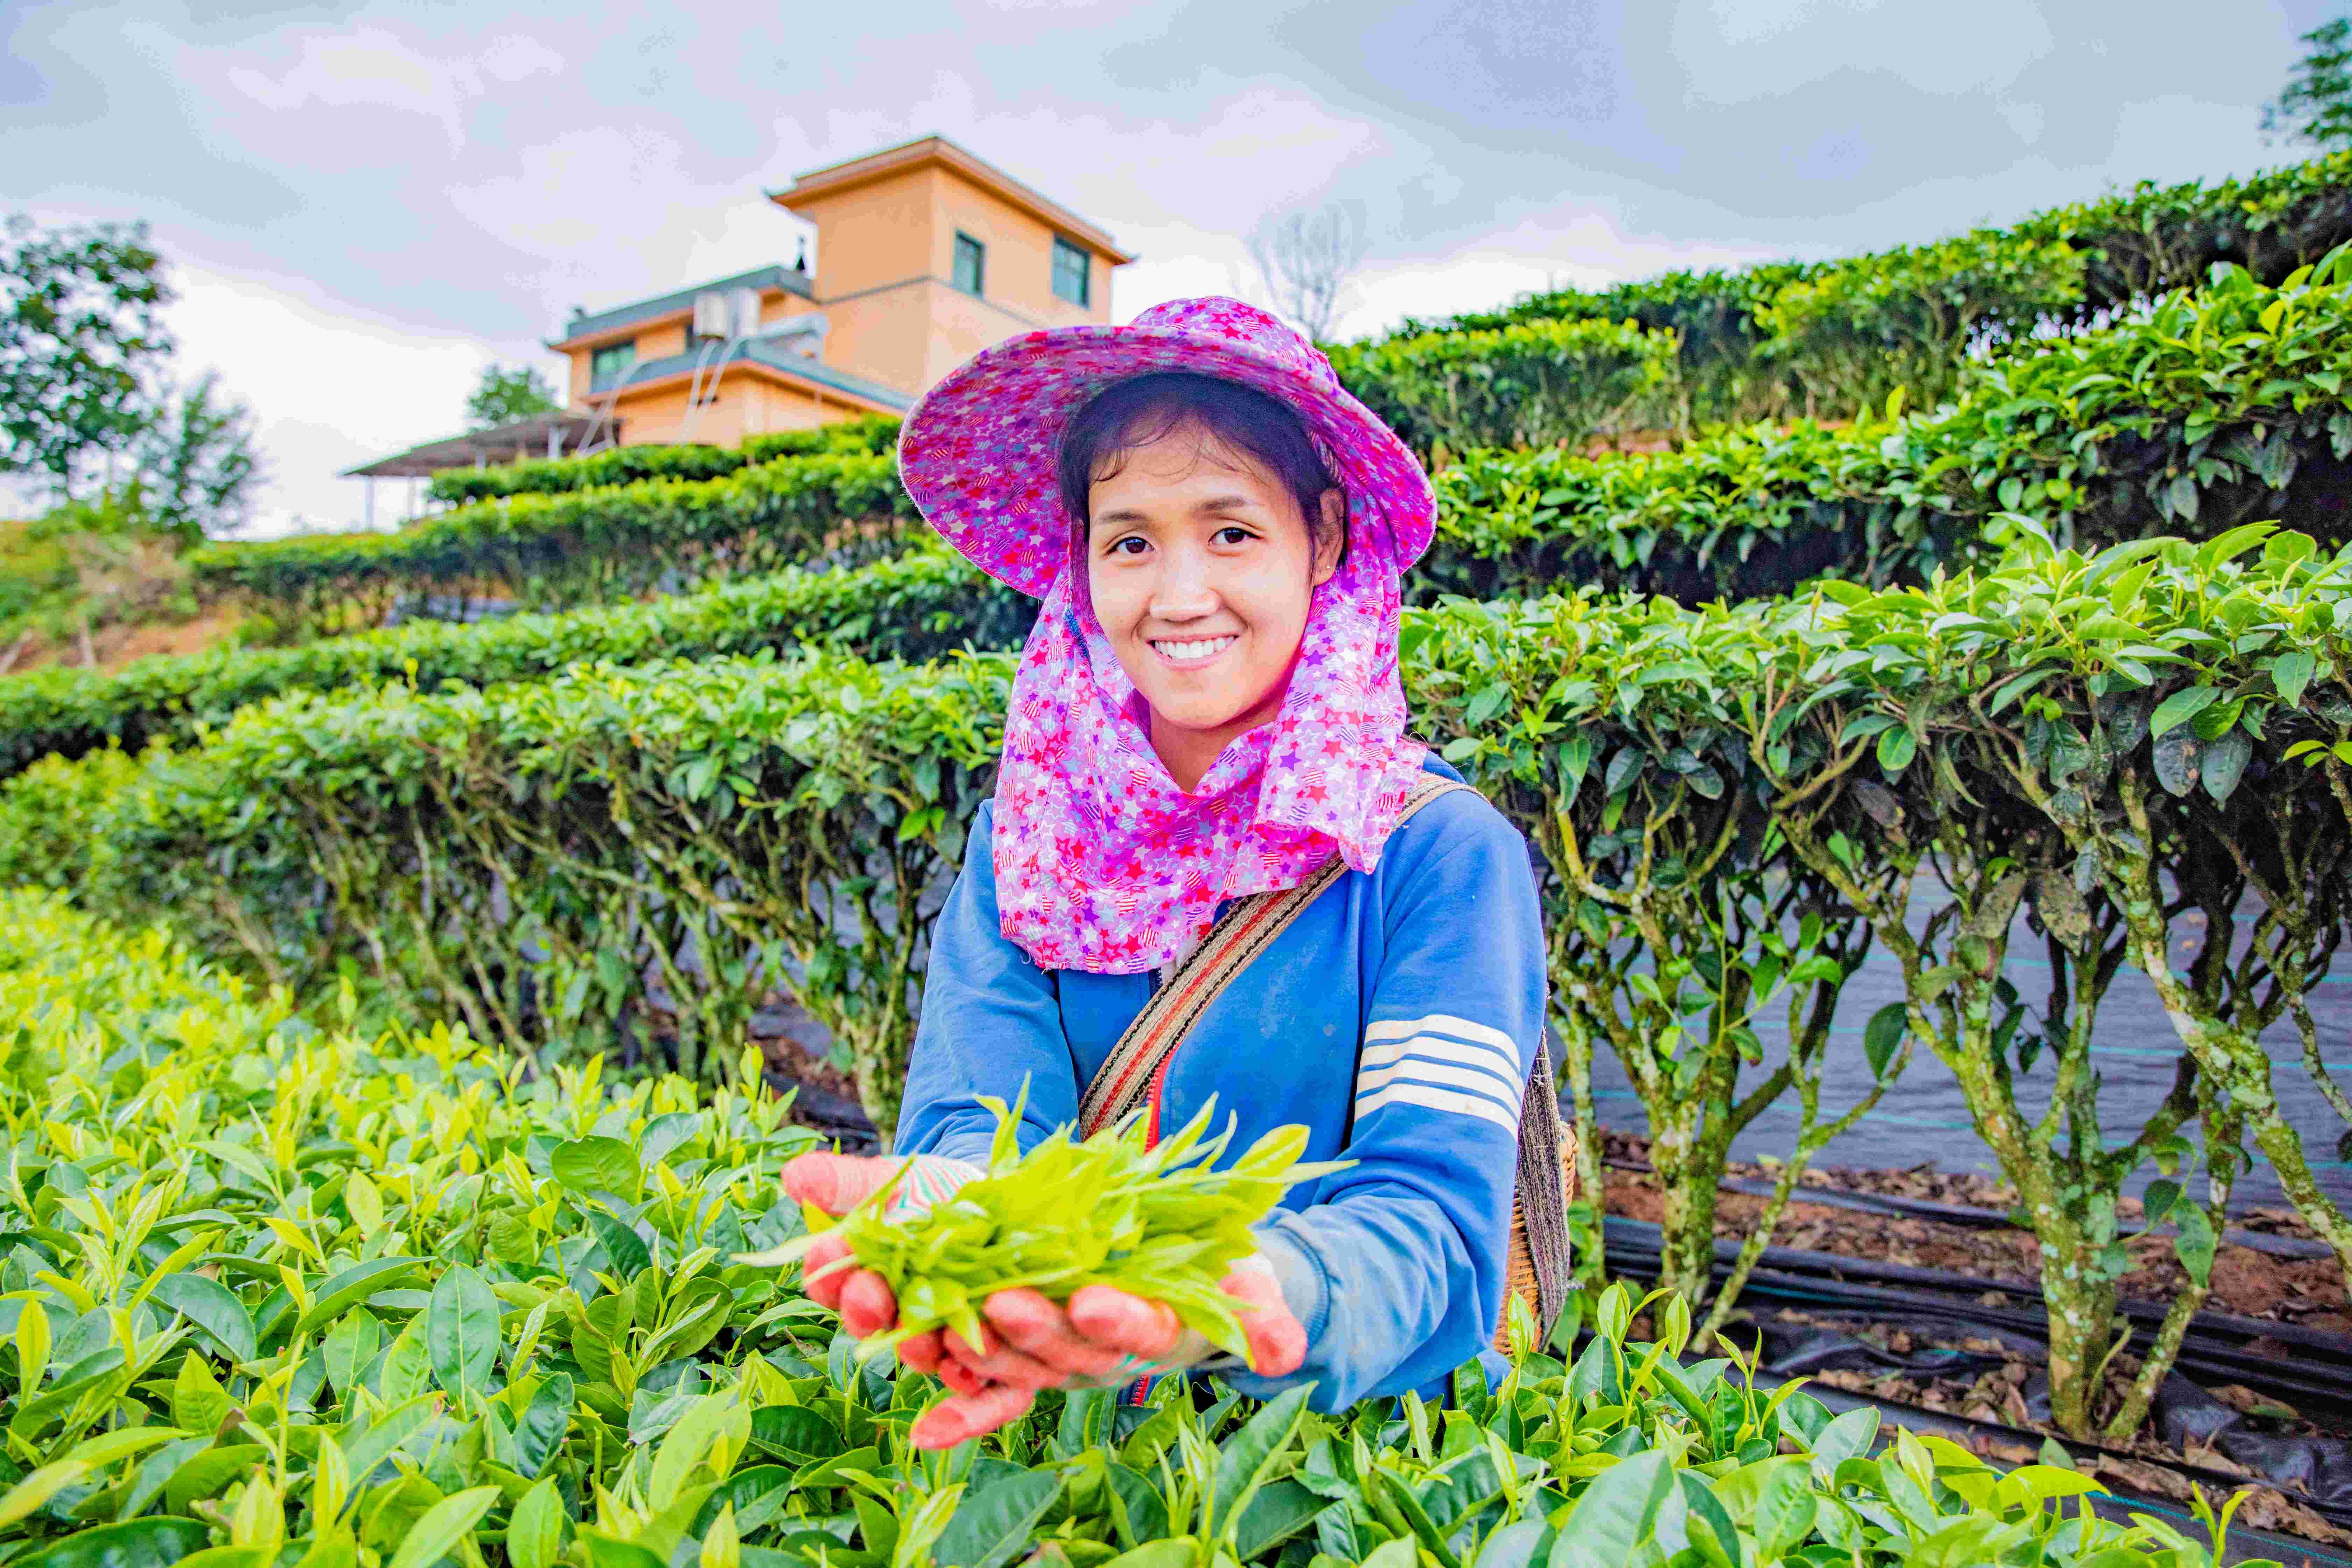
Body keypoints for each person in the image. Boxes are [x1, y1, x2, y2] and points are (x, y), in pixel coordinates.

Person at [777, 297, 1552, 1450]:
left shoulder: (1436, 853)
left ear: (1325, 538)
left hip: (1338, 1480)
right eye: (1130, 540)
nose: (1179, 596)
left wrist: (1230, 1292)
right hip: (1074, 1457)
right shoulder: (1025, 845)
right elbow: (980, 1127)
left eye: (1231, 532)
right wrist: (967, 1235)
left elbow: (1436, 1234)